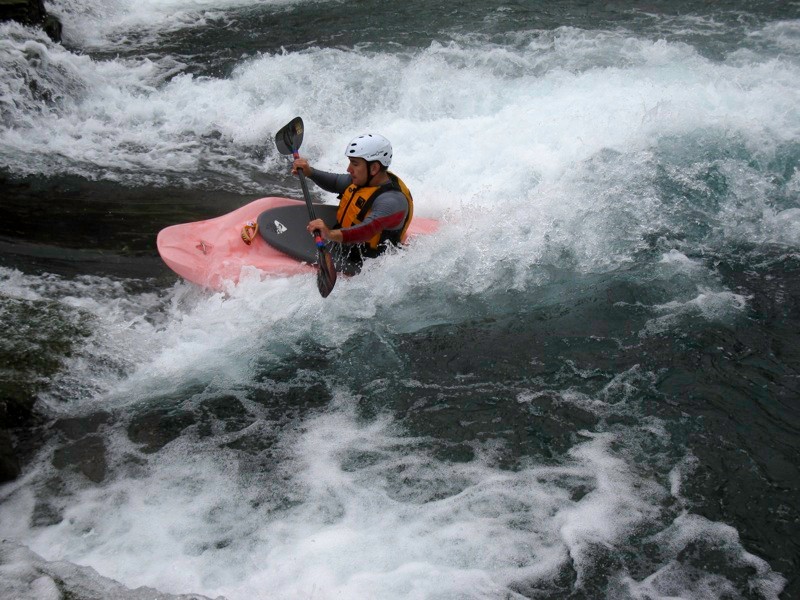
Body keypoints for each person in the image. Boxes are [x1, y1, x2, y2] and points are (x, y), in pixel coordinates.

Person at [293, 133, 414, 265]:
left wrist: (329, 234)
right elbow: (336, 182)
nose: (349, 169)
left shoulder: (392, 201)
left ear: (374, 168)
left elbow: (366, 231)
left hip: (371, 265)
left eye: (355, 164)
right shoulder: (366, 179)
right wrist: (310, 172)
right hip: (346, 246)